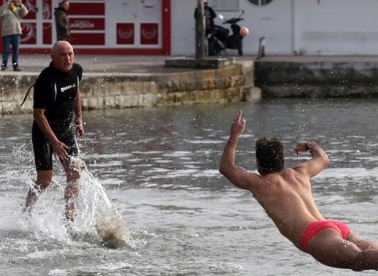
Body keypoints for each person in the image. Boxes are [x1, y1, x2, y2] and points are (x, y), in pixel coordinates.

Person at [219, 110, 378, 271]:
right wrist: (311, 145)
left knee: (359, 260)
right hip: (334, 227)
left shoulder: (259, 183)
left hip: (316, 236)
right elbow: (323, 159)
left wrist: (235, 134)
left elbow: (226, 168)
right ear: (282, 160)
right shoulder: (300, 173)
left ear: (258, 164)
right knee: (370, 256)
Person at [24, 41, 84, 222]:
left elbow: (76, 92)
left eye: (70, 54)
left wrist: (79, 119)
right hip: (44, 134)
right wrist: (55, 142)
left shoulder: (77, 71)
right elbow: (38, 114)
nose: (68, 58)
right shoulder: (45, 80)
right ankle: (26, 211)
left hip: (65, 131)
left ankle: (69, 217)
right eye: (63, 55)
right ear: (53, 57)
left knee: (75, 173)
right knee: (45, 180)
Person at [0, 0, 28, 71]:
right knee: (6, 50)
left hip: (16, 32)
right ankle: (4, 65)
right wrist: (7, 4)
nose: (12, 3)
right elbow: (0, 13)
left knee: (15, 51)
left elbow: (25, 12)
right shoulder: (5, 9)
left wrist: (21, 4)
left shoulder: (17, 9)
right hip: (7, 33)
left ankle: (15, 66)